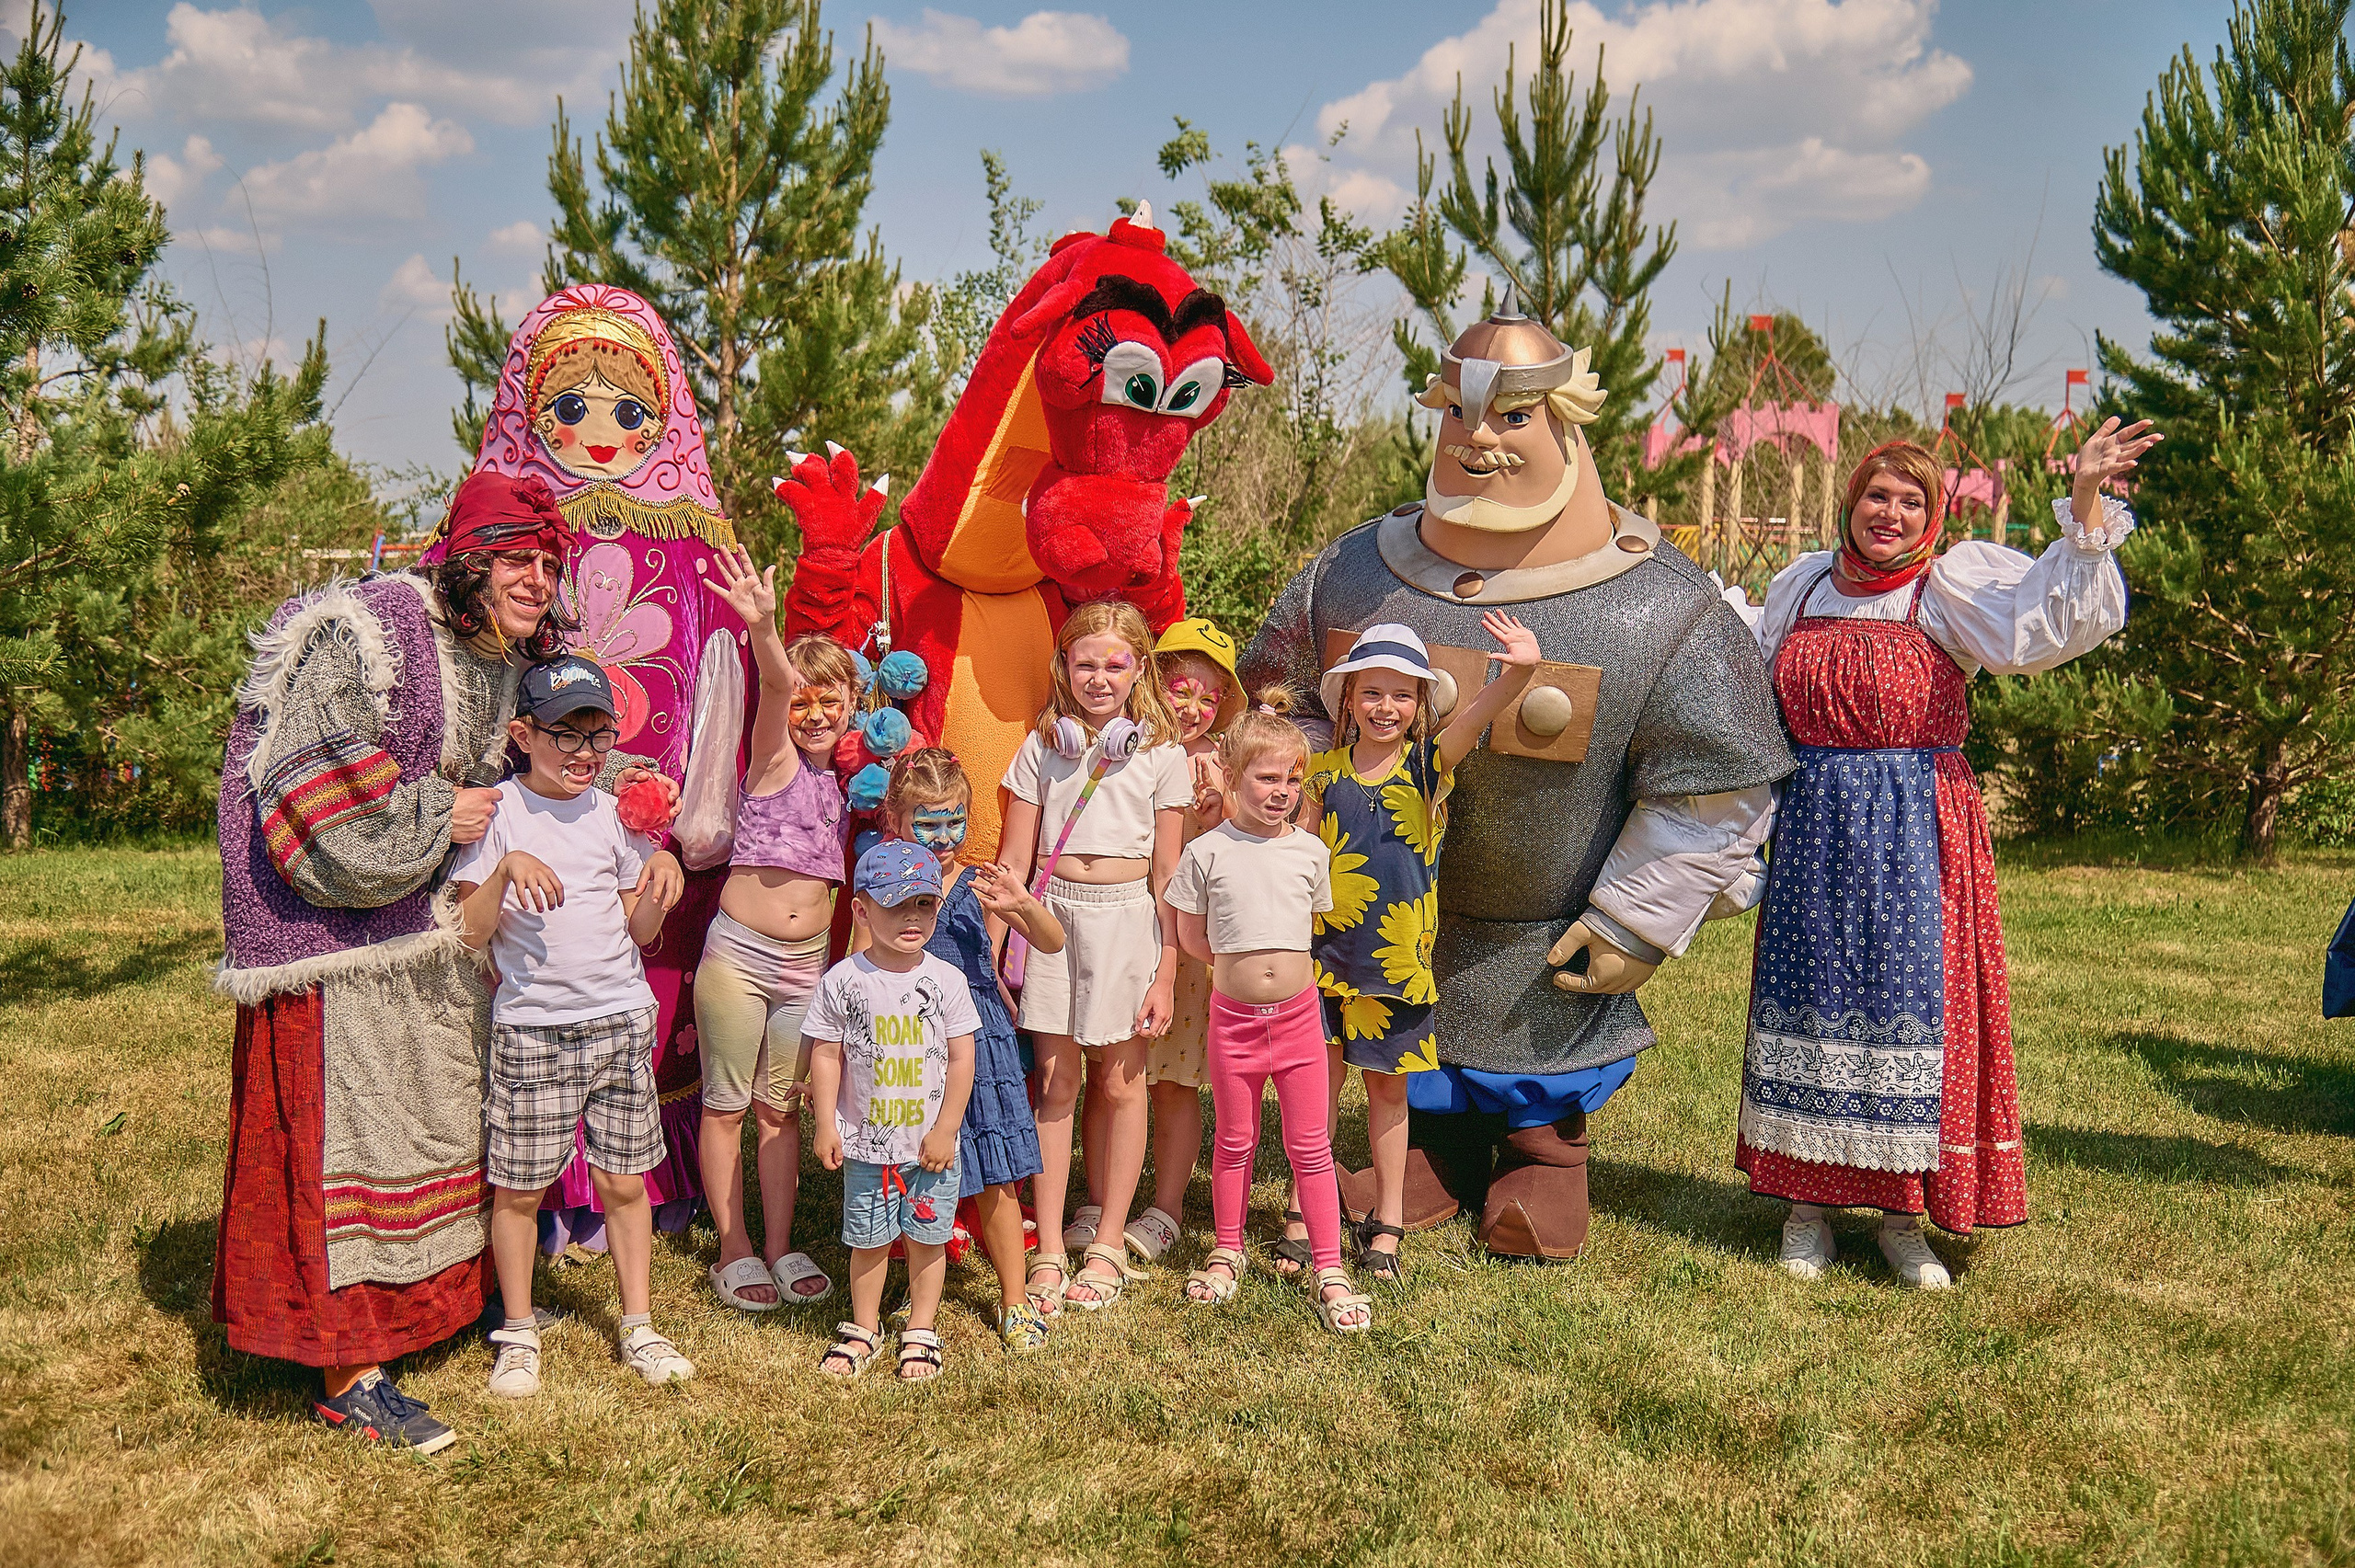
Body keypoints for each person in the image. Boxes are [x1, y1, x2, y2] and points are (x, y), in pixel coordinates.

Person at [1239, 295, 1795, 1260]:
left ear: (1562, 421)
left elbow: (1714, 779)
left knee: (1539, 1046)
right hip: (1386, 908)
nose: (1478, 439)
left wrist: (1637, 915)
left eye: (1510, 416)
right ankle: (1429, 1148)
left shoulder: (1657, 603)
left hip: (1551, 931)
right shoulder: (1355, 572)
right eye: (1458, 413)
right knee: (1391, 1029)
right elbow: (1277, 701)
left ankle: (1545, 1152)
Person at [213, 469, 588, 1452]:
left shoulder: (505, 653)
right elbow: (305, 783)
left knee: (433, 1118)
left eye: (550, 562)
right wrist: (440, 813)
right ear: (469, 560)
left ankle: (433, 1316)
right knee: (357, 1136)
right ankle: (348, 1368)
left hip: (427, 925)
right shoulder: (370, 630)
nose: (538, 578)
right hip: (329, 933)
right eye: (519, 558)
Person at [1739, 425, 2157, 1288]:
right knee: (1811, 995)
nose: (1889, 513)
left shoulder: (1947, 588)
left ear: (1932, 515)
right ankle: (1805, 1208)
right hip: (1816, 822)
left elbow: (2050, 623)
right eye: (1876, 495)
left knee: (1913, 1009)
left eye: (1911, 500)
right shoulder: (1802, 584)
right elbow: (1733, 664)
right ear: (1850, 503)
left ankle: (1902, 1218)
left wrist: (2085, 503)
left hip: (1916, 828)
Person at [443, 283, 756, 1258]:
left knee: (640, 991)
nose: (603, 433)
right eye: (569, 407)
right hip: (524, 816)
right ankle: (527, 1188)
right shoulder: (500, 544)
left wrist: (694, 817)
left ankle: (636, 1184)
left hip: (646, 829)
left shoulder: (698, 541)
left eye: (630, 411)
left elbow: (719, 677)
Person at [452, 655, 695, 1395]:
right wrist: (502, 870)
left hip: (620, 1020)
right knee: (519, 1189)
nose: (585, 753)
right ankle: (519, 1331)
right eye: (566, 736)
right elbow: (468, 932)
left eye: (599, 734)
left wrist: (661, 885)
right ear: (523, 734)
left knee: (625, 1184)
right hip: (533, 1029)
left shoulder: (614, 815)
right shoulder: (499, 813)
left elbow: (637, 924)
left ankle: (638, 1324)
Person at [1288, 614, 1540, 1281]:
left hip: (1393, 968)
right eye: (1371, 692)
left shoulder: (1429, 767)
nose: (1386, 707)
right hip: (1321, 962)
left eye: (1402, 695)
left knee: (1387, 1093)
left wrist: (1517, 672)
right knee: (1319, 1087)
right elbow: (1296, 859)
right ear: (1348, 699)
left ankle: (1388, 1225)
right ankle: (1300, 1211)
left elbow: (1478, 715)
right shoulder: (1320, 775)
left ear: (1419, 705)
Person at [994, 600, 1191, 1314]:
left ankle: (1106, 1240)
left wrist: (1167, 966)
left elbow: (1167, 873)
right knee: (1055, 1081)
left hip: (1127, 923)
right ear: (1064, 668)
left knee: (1122, 1081)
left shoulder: (1161, 757)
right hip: (1051, 921)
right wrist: (993, 953)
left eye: (1115, 664)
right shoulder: (1042, 746)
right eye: (1085, 663)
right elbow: (1012, 860)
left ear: (1139, 669)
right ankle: (1047, 1245)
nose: (1100, 677)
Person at [691, 546, 861, 1310]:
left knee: (777, 1108)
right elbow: (775, 686)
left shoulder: (852, 782)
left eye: (833, 700)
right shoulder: (773, 758)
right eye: (805, 700)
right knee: (726, 1103)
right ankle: (732, 1249)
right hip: (741, 956)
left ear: (855, 706)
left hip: (806, 964)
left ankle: (780, 1244)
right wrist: (766, 629)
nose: (815, 713)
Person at [1166, 696, 1369, 1332]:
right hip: (1234, 1020)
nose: (1281, 791)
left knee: (1311, 1144)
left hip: (1301, 1020)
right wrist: (1239, 974)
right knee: (1234, 1140)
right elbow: (1194, 936)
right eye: (1267, 777)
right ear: (1231, 776)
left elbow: (1303, 923)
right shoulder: (1205, 852)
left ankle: (1329, 1265)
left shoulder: (1309, 851)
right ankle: (1227, 1250)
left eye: (1291, 779)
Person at [881, 749, 1067, 1352]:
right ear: (896, 819)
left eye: (952, 820)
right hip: (913, 1043)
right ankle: (922, 1290)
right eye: (925, 822)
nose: (941, 837)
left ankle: (1014, 1298)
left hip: (980, 1040)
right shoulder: (886, 880)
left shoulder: (981, 881)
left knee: (997, 1180)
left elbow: (1053, 939)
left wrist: (1024, 907)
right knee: (915, 1175)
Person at [807, 842, 980, 1381]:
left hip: (931, 1148)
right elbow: (826, 1053)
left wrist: (947, 1127)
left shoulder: (945, 981)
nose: (912, 917)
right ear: (861, 910)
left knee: (929, 1242)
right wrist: (826, 1124)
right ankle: (863, 1329)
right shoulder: (843, 980)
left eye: (925, 904)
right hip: (867, 1147)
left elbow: (961, 1056)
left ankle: (921, 1330)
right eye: (895, 904)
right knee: (868, 1239)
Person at [1126, 616, 1244, 1265]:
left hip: (1189, 947)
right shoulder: (1122, 745)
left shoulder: (1225, 765)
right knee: (1116, 1074)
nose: (1194, 707)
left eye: (1209, 696)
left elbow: (1251, 852)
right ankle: (1104, 1193)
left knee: (1172, 1079)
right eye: (1181, 688)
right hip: (1118, 924)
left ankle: (1166, 1205)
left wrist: (1220, 813)